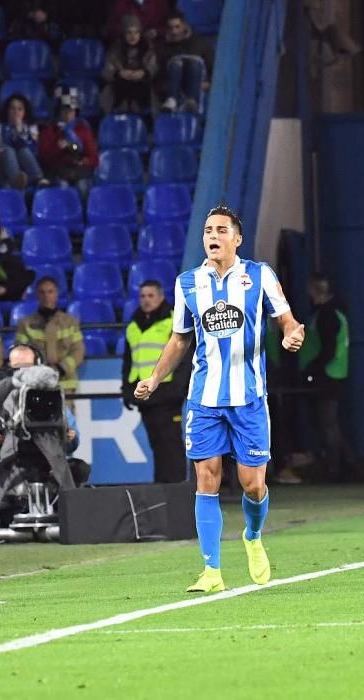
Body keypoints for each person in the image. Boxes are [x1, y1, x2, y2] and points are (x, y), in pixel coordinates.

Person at [133, 205, 306, 593]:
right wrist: (156, 379)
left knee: (252, 486)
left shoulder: (259, 275)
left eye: (221, 230)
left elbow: (287, 320)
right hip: (204, 399)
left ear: (237, 238)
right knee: (206, 479)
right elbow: (179, 339)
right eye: (208, 230)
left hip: (249, 398)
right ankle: (211, 571)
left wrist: (293, 334)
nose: (212, 235)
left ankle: (253, 535)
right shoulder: (188, 283)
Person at [0, 344, 86, 529]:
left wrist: (69, 437)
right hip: (12, 462)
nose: (22, 373)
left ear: (38, 365)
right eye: (16, 369)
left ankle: (73, 514)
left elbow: (73, 439)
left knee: (77, 469)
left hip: (51, 461)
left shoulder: (52, 395)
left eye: (27, 368)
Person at [121, 280, 189, 483]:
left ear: (161, 297)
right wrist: (127, 389)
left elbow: (183, 358)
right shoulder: (134, 325)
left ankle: (177, 490)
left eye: (150, 295)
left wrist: (177, 390)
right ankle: (162, 489)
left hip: (167, 394)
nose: (146, 300)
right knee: (157, 446)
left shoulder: (172, 320)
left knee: (172, 446)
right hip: (145, 396)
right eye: (142, 296)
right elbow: (128, 361)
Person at [298, 274, 355, 482]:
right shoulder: (336, 312)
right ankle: (345, 463)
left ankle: (336, 468)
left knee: (328, 423)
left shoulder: (327, 315)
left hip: (327, 376)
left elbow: (327, 349)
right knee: (329, 423)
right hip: (335, 373)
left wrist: (313, 370)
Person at [15, 276, 85, 392]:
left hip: (65, 386)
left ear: (57, 293)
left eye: (50, 292)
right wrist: (38, 372)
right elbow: (21, 352)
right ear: (37, 295)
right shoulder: (25, 324)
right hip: (36, 385)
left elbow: (78, 351)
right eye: (42, 292)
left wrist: (61, 368)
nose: (46, 296)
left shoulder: (70, 322)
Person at [38, 93, 99, 199]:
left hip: (80, 171)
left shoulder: (83, 131)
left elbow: (94, 158)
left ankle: (84, 215)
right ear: (58, 112)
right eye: (64, 111)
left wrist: (84, 161)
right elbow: (44, 158)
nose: (67, 115)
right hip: (59, 172)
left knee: (83, 188)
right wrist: (58, 148)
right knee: (63, 188)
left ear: (75, 113)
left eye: (70, 111)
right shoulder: (49, 131)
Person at [156, 9, 215, 113]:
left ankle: (192, 102)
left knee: (194, 62)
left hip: (196, 83)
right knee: (175, 63)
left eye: (177, 27)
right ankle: (171, 100)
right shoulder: (162, 47)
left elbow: (212, 64)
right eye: (170, 28)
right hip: (174, 84)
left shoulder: (198, 42)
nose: (174, 32)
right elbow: (158, 73)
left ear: (184, 25)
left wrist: (209, 82)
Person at [0, 94, 47, 190]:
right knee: (8, 150)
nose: (16, 112)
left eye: (19, 109)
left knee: (23, 150)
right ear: (7, 110)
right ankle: (16, 182)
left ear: (25, 112)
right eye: (12, 109)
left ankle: (39, 179)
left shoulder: (31, 127)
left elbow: (33, 151)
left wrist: (19, 130)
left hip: (24, 171)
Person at [102, 14, 158, 115]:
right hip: (119, 90)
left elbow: (153, 68)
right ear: (124, 34)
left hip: (142, 90)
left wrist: (144, 73)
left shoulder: (147, 50)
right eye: (129, 33)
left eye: (136, 33)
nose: (133, 36)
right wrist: (119, 73)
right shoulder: (115, 50)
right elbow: (107, 71)